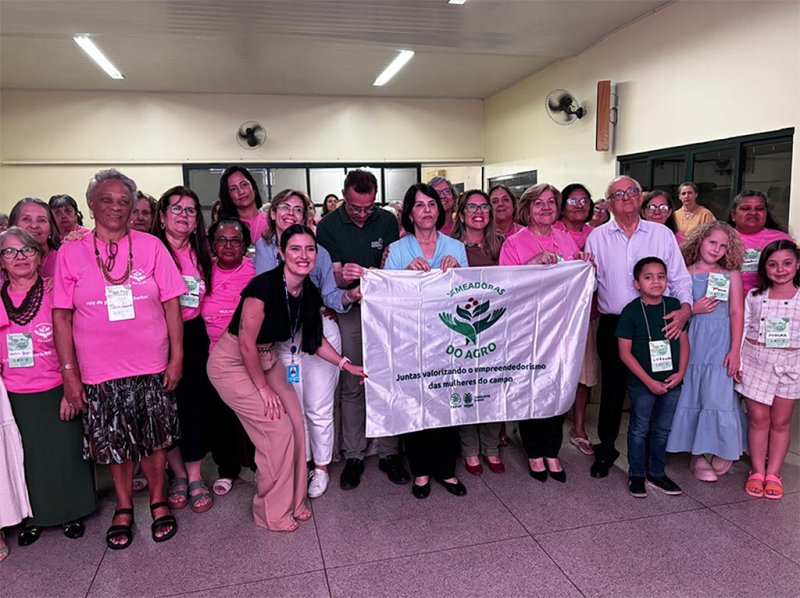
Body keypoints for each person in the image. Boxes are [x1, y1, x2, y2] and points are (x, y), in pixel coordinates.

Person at [53, 169, 185, 549]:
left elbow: (172, 304)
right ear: (91, 205)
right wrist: (69, 374)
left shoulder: (151, 246)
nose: (115, 207)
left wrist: (176, 357)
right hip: (98, 369)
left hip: (152, 364)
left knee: (155, 439)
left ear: (133, 208)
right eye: (106, 200)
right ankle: (124, 506)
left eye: (124, 201)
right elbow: (61, 316)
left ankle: (158, 500)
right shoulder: (71, 252)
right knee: (114, 442)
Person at [207, 224, 365, 530]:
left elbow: (316, 340)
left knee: (296, 424)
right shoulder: (263, 287)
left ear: (316, 255)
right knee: (277, 431)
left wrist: (346, 364)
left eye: (309, 249)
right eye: (295, 248)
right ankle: (271, 513)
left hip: (269, 358)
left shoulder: (307, 291)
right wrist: (263, 389)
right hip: (233, 363)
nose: (303, 256)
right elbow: (245, 343)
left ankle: (295, 501)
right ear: (281, 253)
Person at [585, 176, 693, 478]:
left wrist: (685, 309)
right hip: (615, 322)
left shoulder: (661, 234)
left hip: (659, 321)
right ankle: (606, 447)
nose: (627, 197)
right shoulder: (596, 237)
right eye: (618, 194)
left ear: (640, 196)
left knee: (657, 386)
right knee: (613, 392)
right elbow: (590, 283)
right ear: (608, 203)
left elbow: (680, 277)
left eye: (632, 191)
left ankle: (651, 455)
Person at [254, 189, 360, 498]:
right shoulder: (263, 249)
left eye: (298, 209)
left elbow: (329, 295)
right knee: (292, 408)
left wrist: (349, 296)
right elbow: (266, 295)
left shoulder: (321, 252)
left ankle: (322, 468)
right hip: (282, 339)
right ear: (273, 213)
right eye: (284, 206)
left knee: (319, 408)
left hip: (318, 334)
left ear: (307, 216)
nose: (290, 212)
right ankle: (302, 464)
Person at [0, 226, 97, 546]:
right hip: (14, 391)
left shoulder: (56, 290)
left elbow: (77, 337)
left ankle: (72, 510)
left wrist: (71, 386)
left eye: (27, 250)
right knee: (26, 457)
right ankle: (34, 516)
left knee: (65, 453)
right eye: (10, 252)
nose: (20, 257)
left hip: (57, 384)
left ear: (40, 254)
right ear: (1, 260)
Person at [316, 169, 408, 490]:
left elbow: (392, 266)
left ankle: (388, 450)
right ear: (343, 196)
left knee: (385, 377)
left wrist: (372, 272)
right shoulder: (328, 226)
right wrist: (348, 277)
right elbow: (334, 278)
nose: (362, 213)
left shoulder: (385, 221)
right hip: (350, 310)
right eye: (356, 208)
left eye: (368, 207)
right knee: (355, 380)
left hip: (385, 310)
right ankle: (354, 453)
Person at [499, 183, 591, 482]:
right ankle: (534, 452)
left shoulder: (566, 240)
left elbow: (582, 285)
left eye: (552, 202)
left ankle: (553, 451)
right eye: (538, 203)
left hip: (562, 328)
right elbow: (505, 288)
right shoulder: (514, 242)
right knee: (532, 388)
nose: (546, 207)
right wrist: (531, 265)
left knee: (558, 386)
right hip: (528, 330)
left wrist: (587, 267)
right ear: (527, 208)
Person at [385, 184, 468, 497]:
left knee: (446, 403)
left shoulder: (455, 247)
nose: (427, 210)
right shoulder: (396, 250)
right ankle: (420, 471)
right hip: (411, 339)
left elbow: (468, 294)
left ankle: (446, 470)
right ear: (409, 213)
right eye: (419, 205)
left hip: (448, 338)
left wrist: (459, 273)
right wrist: (404, 274)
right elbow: (386, 297)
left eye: (431, 204)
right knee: (415, 402)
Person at [666, 222, 747, 481]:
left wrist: (735, 350)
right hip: (692, 339)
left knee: (720, 396)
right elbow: (675, 309)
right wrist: (694, 309)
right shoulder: (683, 273)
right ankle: (697, 454)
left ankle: (725, 446)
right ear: (700, 241)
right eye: (713, 242)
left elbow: (736, 312)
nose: (717, 249)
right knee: (693, 393)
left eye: (723, 246)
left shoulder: (730, 274)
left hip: (721, 341)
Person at [152, 186, 215, 514]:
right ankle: (176, 474)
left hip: (192, 334)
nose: (183, 215)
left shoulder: (203, 252)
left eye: (190, 210)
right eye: (175, 208)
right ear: (161, 217)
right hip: (154, 337)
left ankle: (193, 476)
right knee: (165, 409)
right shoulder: (149, 250)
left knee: (193, 406)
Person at [616, 257, 689, 497]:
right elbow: (624, 354)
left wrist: (680, 373)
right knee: (639, 429)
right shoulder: (631, 312)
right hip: (642, 384)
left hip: (672, 381)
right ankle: (637, 473)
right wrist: (648, 382)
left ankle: (656, 473)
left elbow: (684, 343)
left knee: (662, 430)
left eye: (661, 276)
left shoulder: (674, 306)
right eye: (648, 277)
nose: (656, 281)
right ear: (636, 283)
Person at [737, 240, 800, 500]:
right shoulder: (754, 296)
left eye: (787, 263)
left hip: (792, 364)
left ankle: (773, 472)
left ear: (797, 264)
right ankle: (757, 470)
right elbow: (741, 329)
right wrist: (738, 361)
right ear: (764, 268)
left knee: (781, 421)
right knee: (759, 419)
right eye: (773, 264)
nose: (780, 269)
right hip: (756, 360)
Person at [448, 189, 506, 474]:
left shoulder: (502, 245)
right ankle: (470, 449)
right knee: (466, 386)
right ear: (461, 212)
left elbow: (517, 281)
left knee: (493, 386)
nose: (479, 211)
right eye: (472, 207)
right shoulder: (450, 246)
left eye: (484, 206)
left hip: (497, 328)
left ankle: (492, 447)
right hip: (463, 331)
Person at [555, 183, 599, 456]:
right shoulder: (552, 233)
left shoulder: (596, 234)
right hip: (557, 317)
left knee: (584, 375)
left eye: (584, 200)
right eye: (573, 201)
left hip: (588, 314)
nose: (580, 205)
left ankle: (579, 427)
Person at [726, 189, 794, 295]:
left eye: (759, 209)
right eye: (745, 208)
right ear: (733, 215)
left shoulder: (781, 240)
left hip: (770, 305)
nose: (753, 213)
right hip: (726, 305)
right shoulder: (719, 239)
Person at [9, 198, 60, 278]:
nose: (34, 225)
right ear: (13, 226)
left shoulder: (64, 260)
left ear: (51, 229)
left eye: (41, 220)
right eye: (26, 219)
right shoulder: (4, 260)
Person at [218, 166, 268, 243]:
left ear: (253, 187)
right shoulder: (225, 227)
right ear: (228, 196)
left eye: (244, 184)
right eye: (233, 189)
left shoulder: (271, 222)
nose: (241, 192)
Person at [555, 183, 595, 250]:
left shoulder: (594, 234)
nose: (579, 206)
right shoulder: (551, 232)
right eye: (572, 201)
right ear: (561, 207)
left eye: (584, 201)